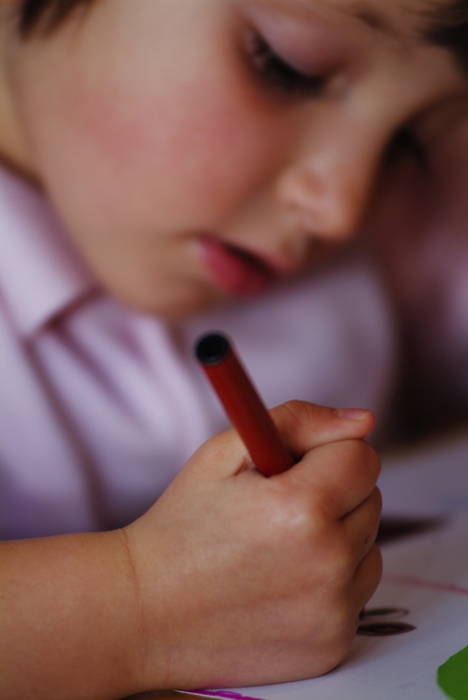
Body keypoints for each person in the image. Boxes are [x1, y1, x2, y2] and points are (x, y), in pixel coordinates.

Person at [0, 1, 467, 698]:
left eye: (405, 143)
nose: (341, 207)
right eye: (286, 69)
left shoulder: (397, 223)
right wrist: (142, 606)